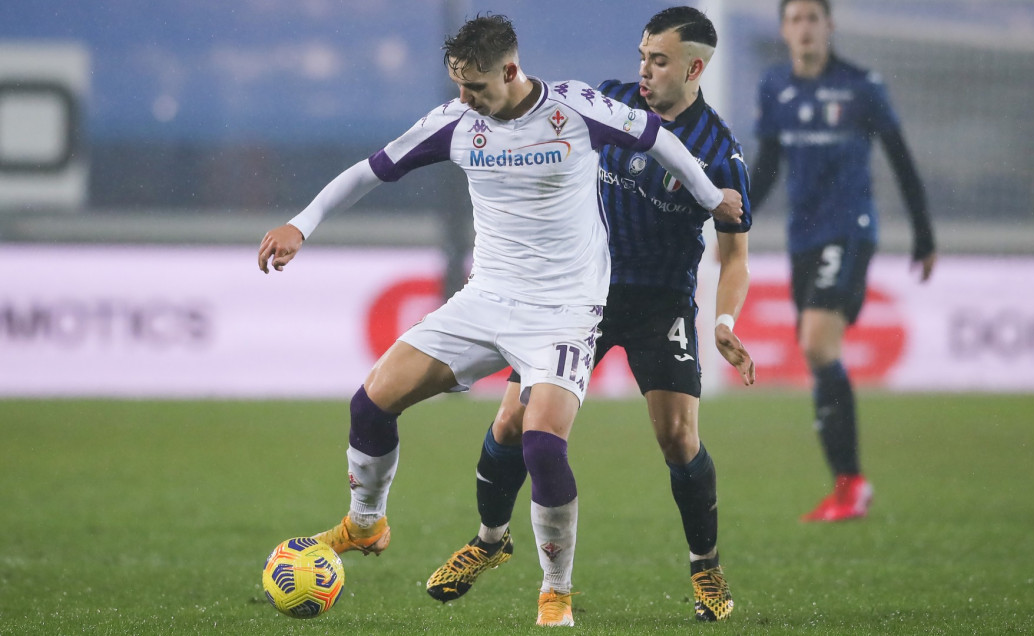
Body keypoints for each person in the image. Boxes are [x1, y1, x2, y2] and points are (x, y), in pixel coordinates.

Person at [257, 14, 744, 628]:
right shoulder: (456, 124)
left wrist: (706, 197)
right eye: (458, 85)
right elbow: (370, 170)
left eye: (477, 87)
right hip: (486, 299)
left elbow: (657, 138)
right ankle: (366, 523)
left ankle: (556, 594)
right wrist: (301, 224)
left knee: (543, 442)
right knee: (371, 402)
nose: (465, 99)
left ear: (511, 71)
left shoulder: (574, 109)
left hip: (565, 311)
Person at [424, 7, 754, 623]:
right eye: (642, 55)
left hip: (660, 301)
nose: (645, 69)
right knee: (511, 423)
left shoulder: (719, 150)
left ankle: (706, 567)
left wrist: (725, 322)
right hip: (579, 295)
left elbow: (734, 257)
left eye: (659, 60)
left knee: (679, 438)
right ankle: (489, 542)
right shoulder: (606, 103)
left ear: (695, 67)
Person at [749, 0, 937, 522]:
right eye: (795, 20)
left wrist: (923, 234)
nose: (804, 28)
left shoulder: (862, 85)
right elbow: (767, 166)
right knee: (817, 353)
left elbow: (900, 158)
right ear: (784, 30)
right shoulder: (774, 88)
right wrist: (733, 220)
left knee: (815, 340)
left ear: (829, 26)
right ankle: (846, 485)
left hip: (849, 231)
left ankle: (852, 485)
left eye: (813, 18)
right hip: (802, 239)